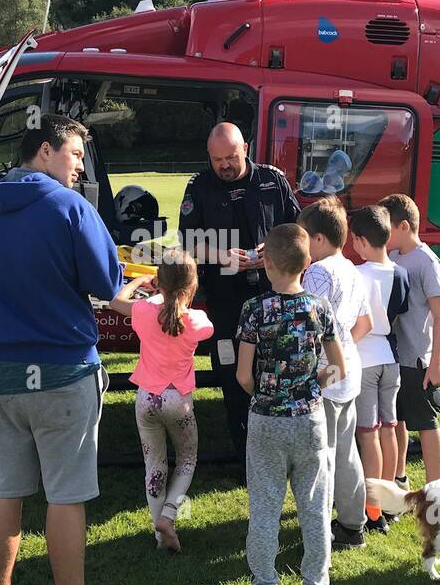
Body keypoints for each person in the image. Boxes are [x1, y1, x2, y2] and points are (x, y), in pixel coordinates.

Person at [0, 114, 124, 585]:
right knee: (65, 496)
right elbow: (106, 281)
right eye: (75, 155)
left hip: (3, 370)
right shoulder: (69, 206)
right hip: (63, 369)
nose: (79, 166)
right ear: (47, 150)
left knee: (4, 491)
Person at [236, 223, 346, 585]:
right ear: (307, 262)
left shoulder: (254, 310)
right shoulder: (320, 307)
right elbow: (338, 366)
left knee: (265, 507)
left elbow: (243, 376)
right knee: (315, 507)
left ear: (266, 263)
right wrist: (311, 388)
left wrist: (268, 396)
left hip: (267, 419)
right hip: (310, 420)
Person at [178, 122, 300, 457]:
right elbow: (185, 243)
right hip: (226, 300)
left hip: (273, 297)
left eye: (230, 157)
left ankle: (281, 451)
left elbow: (298, 232)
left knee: (277, 371)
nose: (224, 166)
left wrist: (273, 251)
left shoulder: (272, 180)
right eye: (217, 160)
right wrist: (219, 254)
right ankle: (245, 455)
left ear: (244, 148)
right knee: (233, 379)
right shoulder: (199, 186)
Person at [109, 250, 213, 553]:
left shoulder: (142, 311)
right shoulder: (198, 321)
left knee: (153, 467)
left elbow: (116, 302)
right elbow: (203, 325)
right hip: (177, 400)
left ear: (159, 283)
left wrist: (139, 280)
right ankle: (169, 516)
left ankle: (160, 538)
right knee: (187, 460)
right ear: (192, 285)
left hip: (146, 400)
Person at [298, 197, 373, 550]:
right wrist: (342, 351)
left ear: (318, 239)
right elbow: (365, 322)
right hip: (349, 371)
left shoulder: (318, 272)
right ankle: (353, 523)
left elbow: (307, 324)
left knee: (321, 456)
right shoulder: (353, 269)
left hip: (324, 375)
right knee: (346, 451)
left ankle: (320, 531)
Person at [380, 193, 440, 487]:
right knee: (397, 420)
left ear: (404, 227)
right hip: (393, 356)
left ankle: (435, 489)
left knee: (426, 424)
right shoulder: (393, 257)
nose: (383, 234)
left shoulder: (427, 262)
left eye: (388, 227)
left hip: (418, 357)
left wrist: (436, 365)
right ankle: (400, 479)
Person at [349, 204, 409, 531]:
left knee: (367, 433)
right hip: (390, 356)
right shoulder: (401, 272)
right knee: (390, 427)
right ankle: (388, 502)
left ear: (359, 240)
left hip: (365, 356)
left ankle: (372, 510)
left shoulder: (358, 273)